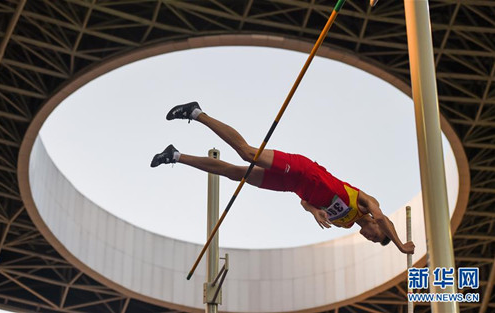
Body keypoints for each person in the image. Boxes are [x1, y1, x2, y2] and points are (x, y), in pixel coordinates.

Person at [151, 101, 415, 255]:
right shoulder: (367, 204)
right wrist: (400, 245)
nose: (368, 236)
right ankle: (197, 113)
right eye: (374, 236)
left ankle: (174, 156)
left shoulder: (344, 225)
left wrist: (313, 211)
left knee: (235, 174)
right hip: (303, 170)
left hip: (292, 187)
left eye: (370, 239)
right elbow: (382, 217)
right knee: (247, 153)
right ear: (379, 227)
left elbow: (304, 203)